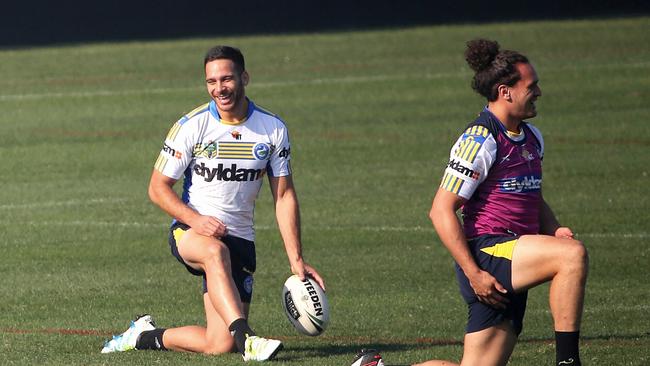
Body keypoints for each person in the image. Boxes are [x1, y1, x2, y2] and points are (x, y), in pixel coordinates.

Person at [101, 45, 325, 362]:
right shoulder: (191, 126)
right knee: (214, 252)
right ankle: (248, 338)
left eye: (227, 79)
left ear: (244, 78)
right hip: (191, 233)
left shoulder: (272, 129)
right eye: (212, 81)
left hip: (241, 240)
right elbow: (157, 188)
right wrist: (195, 220)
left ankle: (142, 335)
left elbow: (284, 195)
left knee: (218, 344)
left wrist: (296, 260)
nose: (219, 88)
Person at [418, 39, 589, 366]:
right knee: (573, 256)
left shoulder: (532, 137)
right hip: (489, 253)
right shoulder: (479, 139)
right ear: (505, 91)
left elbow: (530, 194)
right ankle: (569, 362)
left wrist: (553, 229)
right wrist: (473, 274)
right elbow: (440, 210)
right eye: (531, 86)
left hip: (513, 257)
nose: (538, 92)